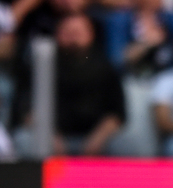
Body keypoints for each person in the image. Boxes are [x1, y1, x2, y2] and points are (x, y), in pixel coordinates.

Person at [14, 12, 126, 156]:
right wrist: (49, 134)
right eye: (67, 32)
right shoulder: (40, 66)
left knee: (124, 141)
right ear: (57, 35)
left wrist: (97, 139)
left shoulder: (105, 67)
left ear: (91, 34)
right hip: (51, 136)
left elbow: (117, 113)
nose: (73, 38)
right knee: (23, 140)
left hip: (95, 138)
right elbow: (25, 110)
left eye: (78, 32)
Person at [104, 0, 173, 72]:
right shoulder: (119, 21)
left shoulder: (171, 20)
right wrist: (146, 44)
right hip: (131, 78)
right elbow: (116, 60)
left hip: (166, 78)